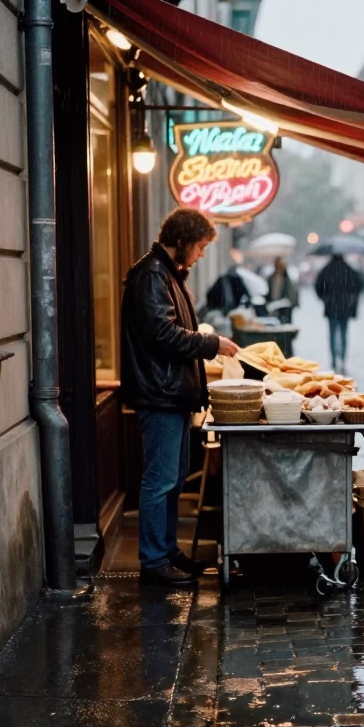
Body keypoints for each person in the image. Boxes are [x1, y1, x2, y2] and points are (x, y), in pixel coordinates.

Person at [120, 207, 239, 586]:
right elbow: (162, 335)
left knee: (172, 478)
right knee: (160, 480)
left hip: (172, 394)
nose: (202, 255)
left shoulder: (168, 273)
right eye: (201, 246)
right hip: (160, 394)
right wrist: (211, 343)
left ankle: (168, 551)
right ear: (184, 241)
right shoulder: (152, 275)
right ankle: (154, 562)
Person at [314, 252, 364, 372]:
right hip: (345, 307)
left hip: (331, 307)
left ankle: (333, 359)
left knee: (332, 333)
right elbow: (360, 284)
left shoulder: (326, 270)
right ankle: (342, 359)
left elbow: (318, 286)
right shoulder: (349, 270)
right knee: (343, 332)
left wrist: (325, 298)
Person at [265, 256, 299, 323]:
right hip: (274, 304)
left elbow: (291, 293)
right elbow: (268, 292)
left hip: (284, 307)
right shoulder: (271, 278)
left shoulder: (287, 279)